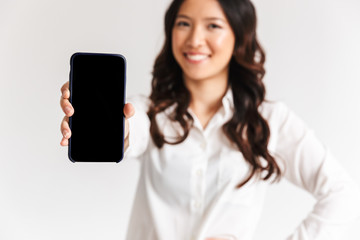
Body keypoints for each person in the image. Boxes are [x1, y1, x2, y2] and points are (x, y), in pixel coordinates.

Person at [60, 0, 360, 239]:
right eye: (183, 23)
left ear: (240, 36)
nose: (194, 39)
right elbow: (131, 129)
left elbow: (341, 194)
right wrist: (110, 122)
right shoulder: (151, 112)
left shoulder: (271, 121)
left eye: (213, 25)